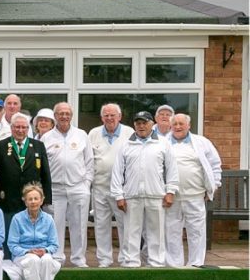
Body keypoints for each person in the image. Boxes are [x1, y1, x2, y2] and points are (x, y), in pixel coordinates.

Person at [111, 112, 178, 268]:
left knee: (156, 232)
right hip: (132, 195)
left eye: (144, 123)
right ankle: (131, 262)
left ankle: (156, 263)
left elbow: (172, 169)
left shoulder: (163, 143)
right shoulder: (126, 145)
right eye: (138, 123)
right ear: (134, 125)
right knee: (130, 232)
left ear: (151, 124)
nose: (141, 126)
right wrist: (119, 195)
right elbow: (117, 171)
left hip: (156, 195)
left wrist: (171, 191)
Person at [165, 114, 223, 267]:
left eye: (181, 124)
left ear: (189, 126)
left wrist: (214, 184)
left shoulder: (202, 142)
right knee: (171, 232)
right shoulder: (162, 142)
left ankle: (196, 264)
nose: (178, 127)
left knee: (196, 232)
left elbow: (215, 164)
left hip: (196, 195)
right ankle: (174, 265)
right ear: (170, 126)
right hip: (171, 197)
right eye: (175, 124)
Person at [42, 102, 93, 267]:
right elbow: (42, 165)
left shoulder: (81, 135)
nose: (64, 116)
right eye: (60, 113)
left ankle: (79, 259)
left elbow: (89, 162)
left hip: (78, 187)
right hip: (55, 188)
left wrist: (86, 184)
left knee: (79, 224)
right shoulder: (46, 137)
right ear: (55, 116)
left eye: (67, 113)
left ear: (71, 115)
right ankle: (57, 258)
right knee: (55, 224)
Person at [0, 113, 52, 234]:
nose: (20, 130)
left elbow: (45, 174)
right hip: (8, 198)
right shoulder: (0, 146)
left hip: (32, 199)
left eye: (24, 127)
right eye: (17, 127)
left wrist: (46, 198)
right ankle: (8, 254)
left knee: (31, 233)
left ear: (28, 129)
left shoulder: (38, 146)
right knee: (9, 232)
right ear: (11, 128)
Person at [88, 103, 132, 267]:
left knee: (124, 224)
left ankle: (125, 258)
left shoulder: (129, 133)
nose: (109, 118)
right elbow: (88, 158)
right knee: (101, 225)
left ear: (119, 117)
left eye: (113, 115)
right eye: (106, 115)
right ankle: (104, 260)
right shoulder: (93, 133)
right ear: (102, 118)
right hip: (99, 187)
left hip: (122, 189)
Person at [7, 184, 59, 280]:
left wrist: (45, 250)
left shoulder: (48, 219)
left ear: (41, 201)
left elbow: (54, 244)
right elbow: (12, 245)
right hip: (22, 255)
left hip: (43, 253)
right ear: (25, 202)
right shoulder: (17, 218)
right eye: (30, 199)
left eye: (36, 198)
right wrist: (27, 251)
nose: (33, 201)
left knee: (47, 259)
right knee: (33, 259)